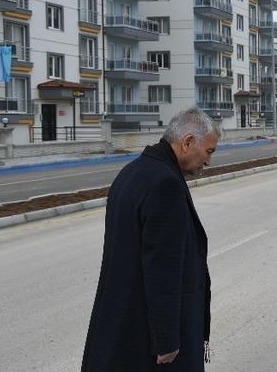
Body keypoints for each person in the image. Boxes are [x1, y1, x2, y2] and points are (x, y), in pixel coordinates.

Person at [82, 107, 220, 372]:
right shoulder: (164, 184)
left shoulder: (134, 171)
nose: (208, 161)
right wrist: (167, 340)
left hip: (123, 318)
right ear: (188, 142)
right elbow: (162, 270)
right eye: (209, 151)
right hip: (149, 335)